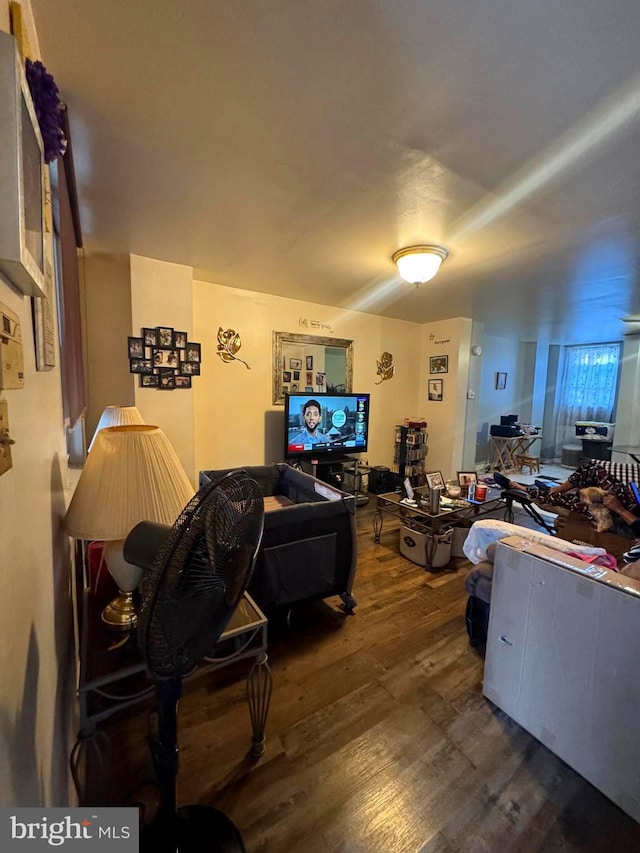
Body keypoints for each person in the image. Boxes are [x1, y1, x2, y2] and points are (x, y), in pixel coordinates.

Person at [493, 459, 638, 526]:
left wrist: (620, 509)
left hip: (624, 515)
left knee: (569, 501)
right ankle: (553, 489)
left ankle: (519, 487)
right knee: (590, 468)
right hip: (633, 502)